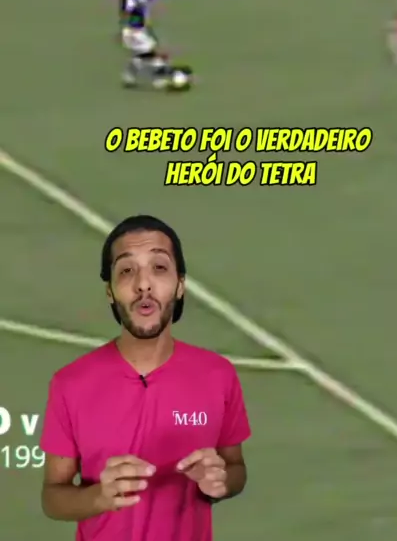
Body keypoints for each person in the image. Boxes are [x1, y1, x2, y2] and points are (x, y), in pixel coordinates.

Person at [39, 215, 251, 541]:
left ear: (180, 285)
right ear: (110, 291)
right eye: (127, 270)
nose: (143, 284)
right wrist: (98, 497)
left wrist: (221, 482)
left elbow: (236, 468)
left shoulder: (218, 375)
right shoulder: (70, 384)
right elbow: (53, 496)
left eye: (159, 267)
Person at [119, 0, 170, 88]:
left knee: (142, 56)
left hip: (134, 32)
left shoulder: (140, 0)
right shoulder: (138, 1)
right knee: (154, 56)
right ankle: (158, 81)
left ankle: (129, 78)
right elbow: (129, 11)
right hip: (135, 33)